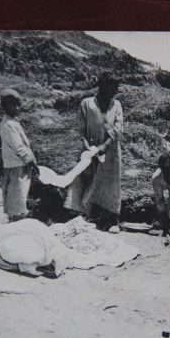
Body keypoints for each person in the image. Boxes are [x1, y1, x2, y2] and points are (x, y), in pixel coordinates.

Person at [64, 74, 123, 232]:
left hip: (110, 153)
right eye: (111, 87)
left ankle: (113, 220)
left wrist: (105, 145)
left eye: (115, 88)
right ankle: (94, 218)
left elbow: (118, 128)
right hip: (90, 151)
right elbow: (82, 129)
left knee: (111, 185)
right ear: (102, 86)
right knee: (90, 181)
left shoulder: (116, 105)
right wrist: (88, 147)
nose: (113, 91)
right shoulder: (87, 104)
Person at [0, 88, 37, 222]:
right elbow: (19, 147)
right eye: (13, 104)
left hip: (18, 165)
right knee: (17, 197)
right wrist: (32, 162)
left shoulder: (13, 122)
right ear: (4, 106)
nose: (17, 107)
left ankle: (17, 223)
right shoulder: (9, 125)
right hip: (17, 166)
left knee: (19, 196)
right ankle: (17, 224)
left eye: (18, 104)